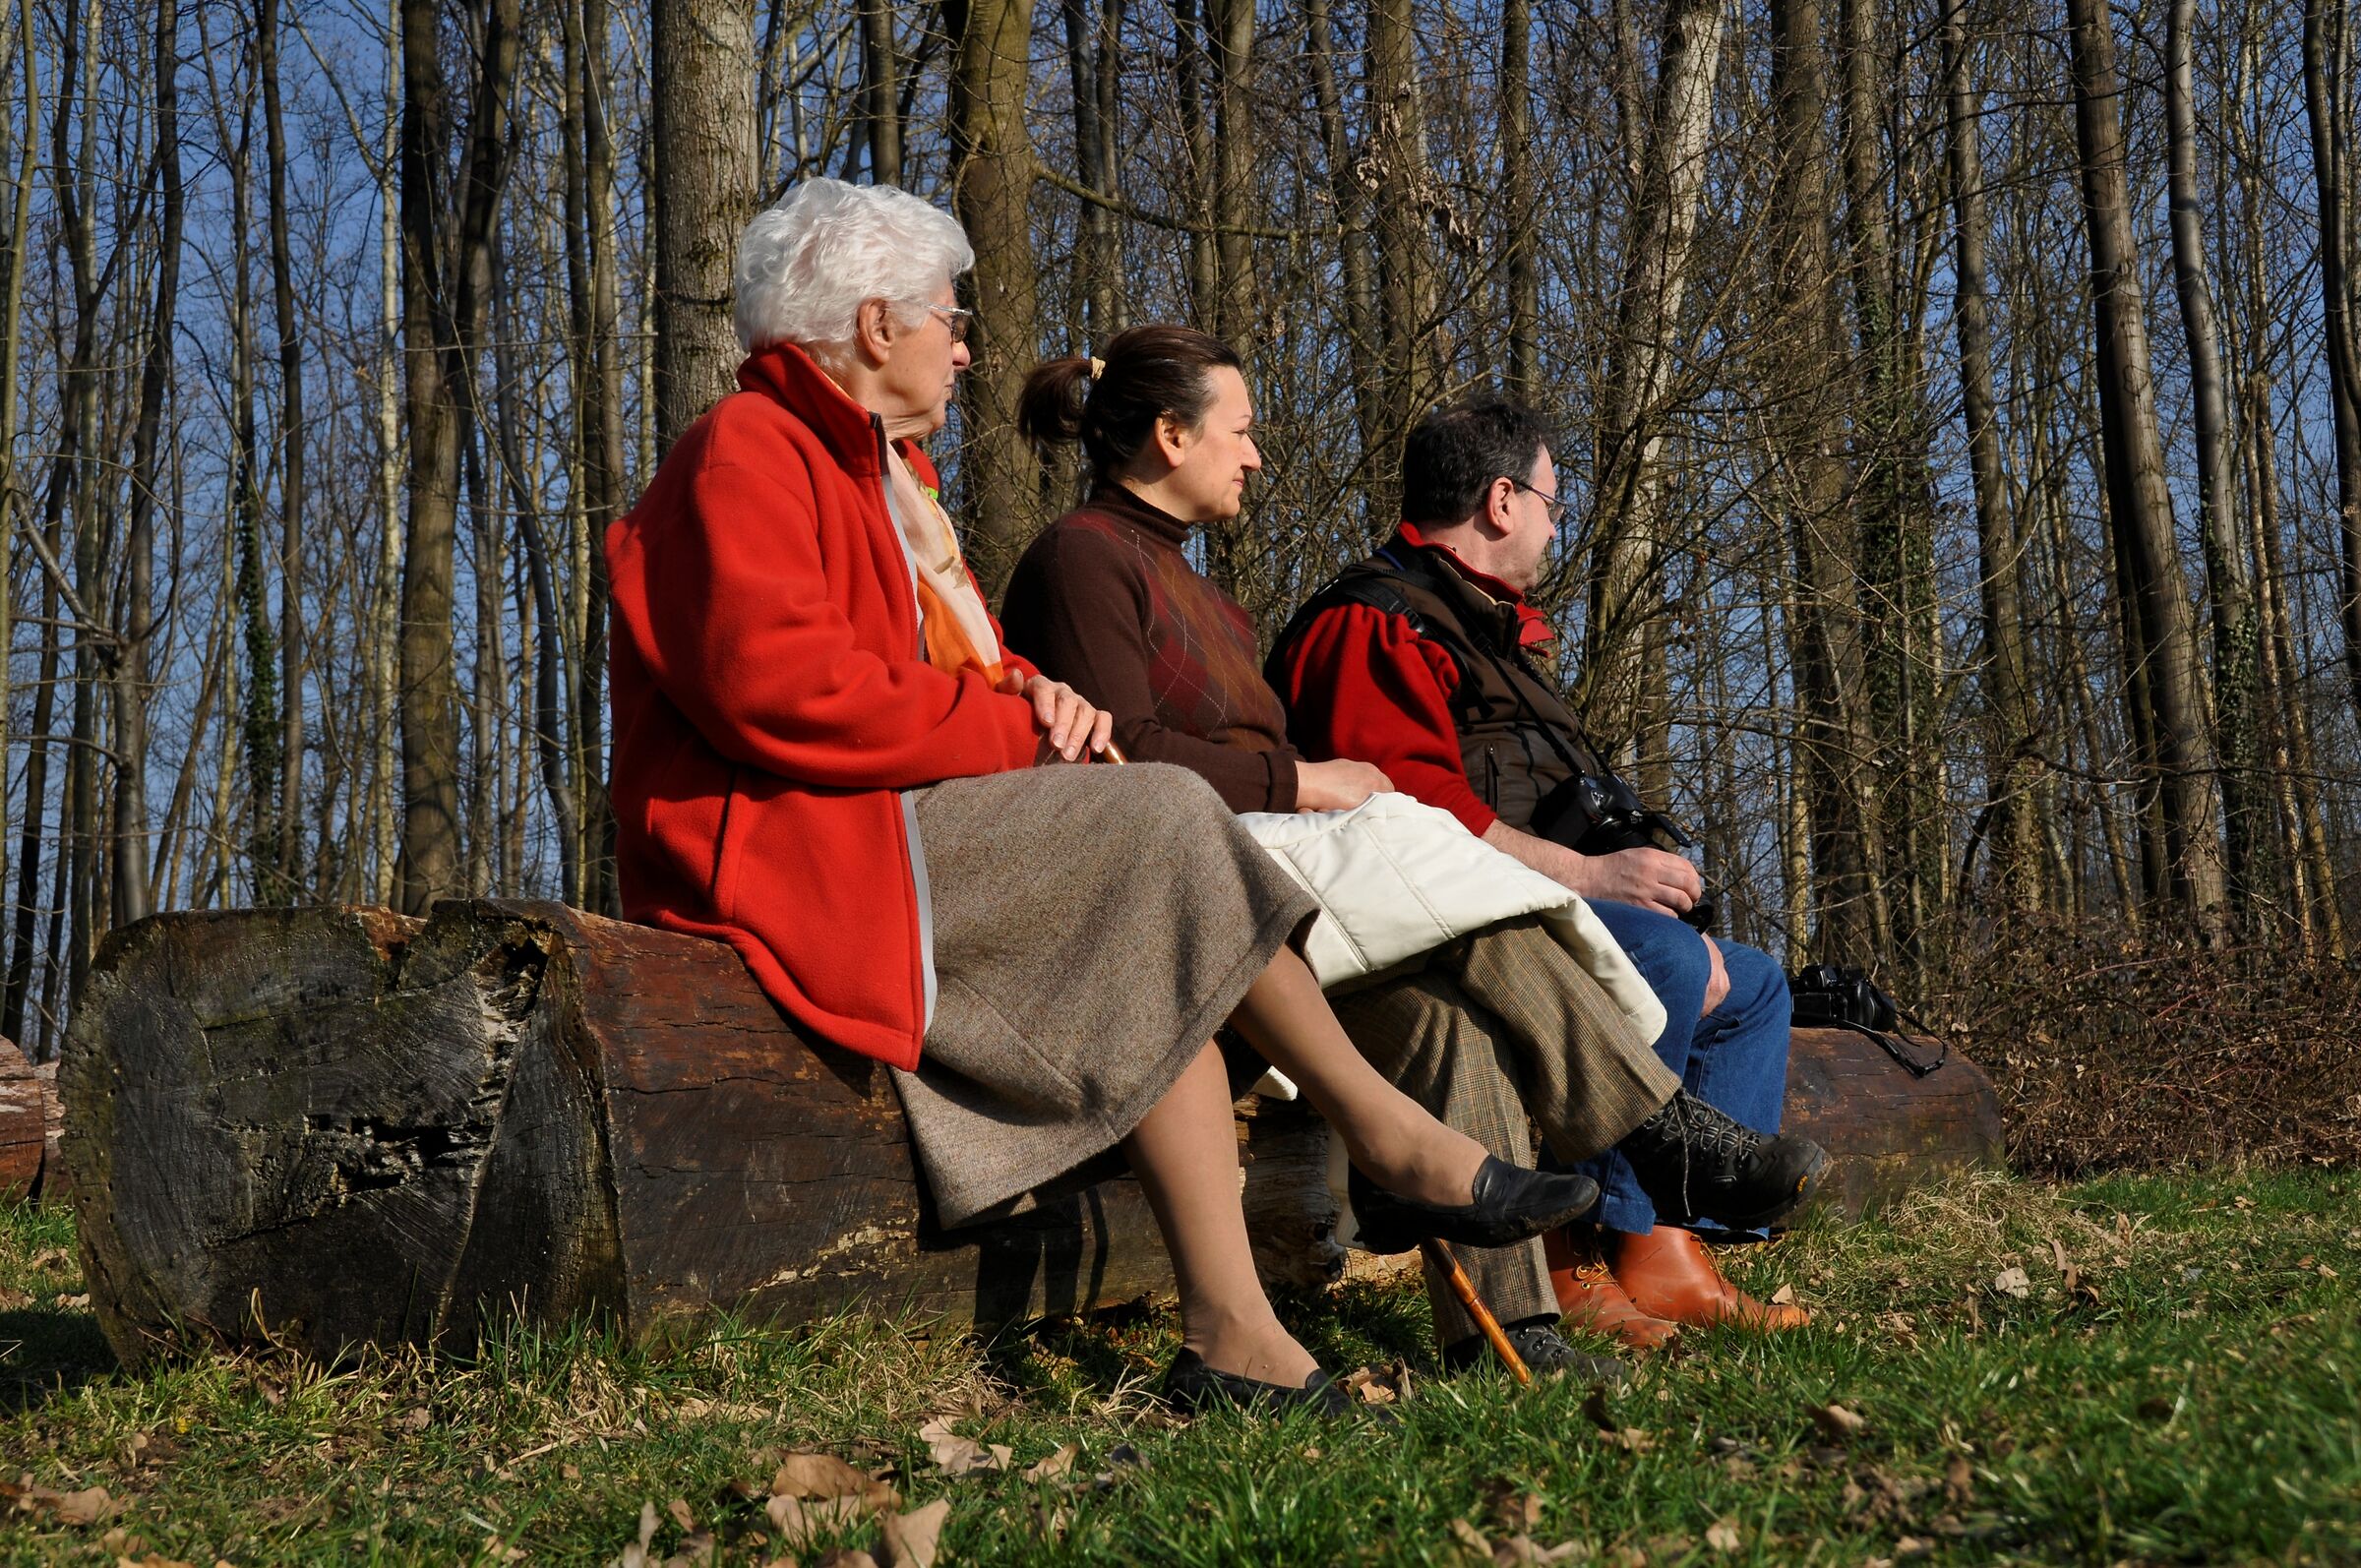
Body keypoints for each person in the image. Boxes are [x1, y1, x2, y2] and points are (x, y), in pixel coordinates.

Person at [603, 180, 1601, 1417]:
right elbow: (781, 689)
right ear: (873, 326)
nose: (965, 345)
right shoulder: (746, 450)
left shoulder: (888, 478)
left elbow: (953, 660)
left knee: (1156, 882)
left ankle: (1237, 1332)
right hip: (788, 848)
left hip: (887, 823)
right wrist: (1014, 722)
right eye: (947, 318)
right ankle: (1387, 1139)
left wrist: (1040, 696)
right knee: (1168, 816)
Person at [999, 329, 1824, 1364]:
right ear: (1171, 435)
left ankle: (1508, 1330)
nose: (1256, 455)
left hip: (1276, 917)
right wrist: (1309, 780)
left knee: (1448, 1026)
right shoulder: (1082, 559)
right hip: (1179, 919)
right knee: (1439, 867)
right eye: (1241, 431)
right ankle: (1649, 1130)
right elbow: (1119, 766)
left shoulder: (1210, 598)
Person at [1267, 396, 1823, 1345]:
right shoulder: (1377, 622)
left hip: (1531, 898)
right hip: (1446, 924)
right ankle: (1563, 1255)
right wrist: (1594, 881)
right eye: (1553, 502)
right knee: (1667, 966)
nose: (1558, 525)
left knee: (1756, 986)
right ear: (1500, 500)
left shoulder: (1494, 631)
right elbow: (1406, 821)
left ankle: (1662, 1251)